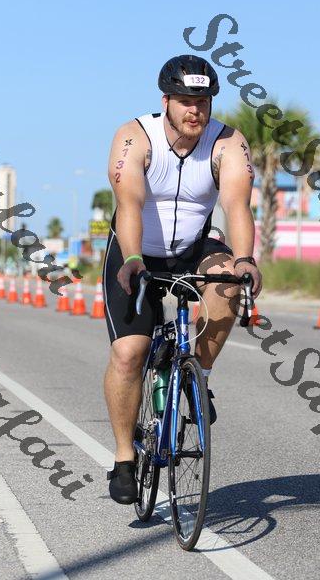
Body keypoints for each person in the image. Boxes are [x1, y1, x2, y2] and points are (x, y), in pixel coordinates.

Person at [102, 54, 262, 504]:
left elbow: (236, 206)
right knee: (129, 354)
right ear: (166, 102)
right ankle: (123, 457)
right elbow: (130, 204)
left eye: (203, 101)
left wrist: (245, 259)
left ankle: (198, 378)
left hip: (194, 245)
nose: (196, 110)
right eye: (186, 101)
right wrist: (133, 257)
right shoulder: (134, 138)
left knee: (228, 282)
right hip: (136, 249)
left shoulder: (228, 142)